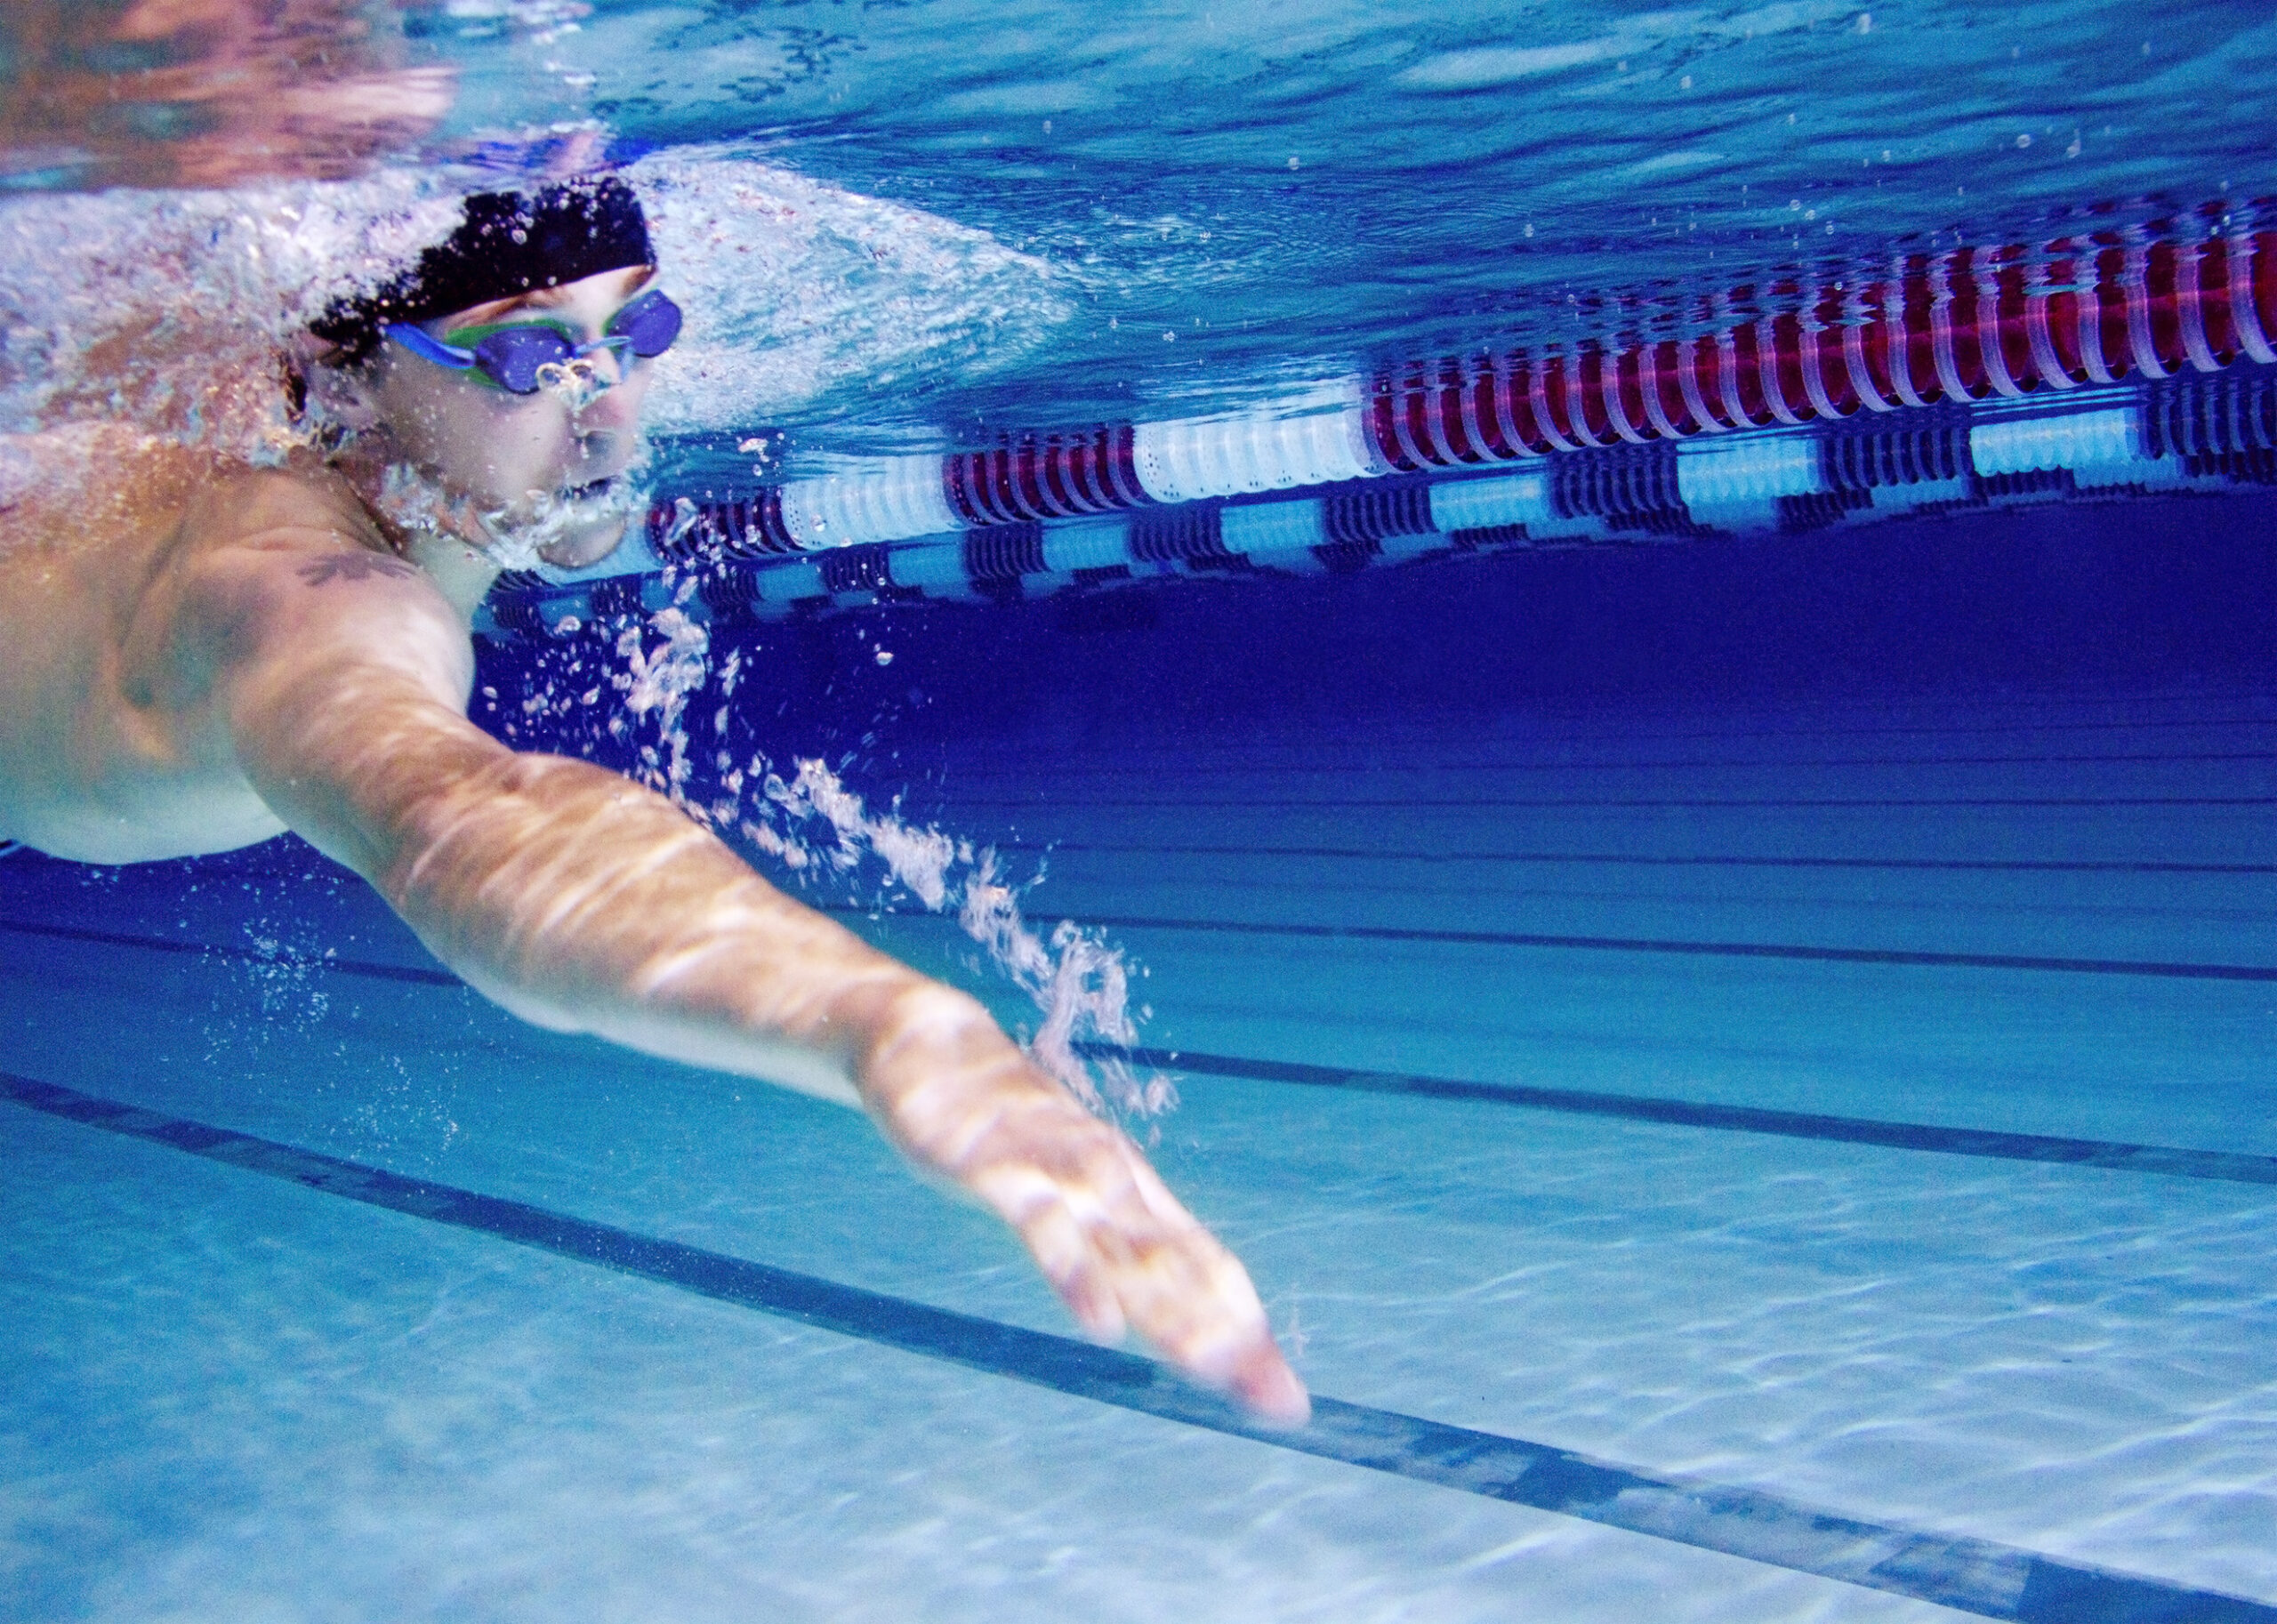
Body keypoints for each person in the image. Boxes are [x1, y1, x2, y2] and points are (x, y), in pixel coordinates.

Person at [0, 176, 1308, 1424]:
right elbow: (461, 815)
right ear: (341, 378)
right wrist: (873, 1018)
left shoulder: (379, 460)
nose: (610, 415)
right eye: (523, 358)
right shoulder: (298, 595)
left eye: (634, 330)